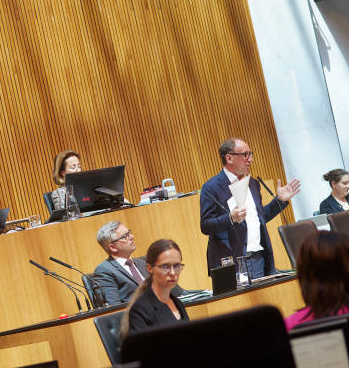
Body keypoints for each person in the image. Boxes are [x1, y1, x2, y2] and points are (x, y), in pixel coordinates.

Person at [200, 138, 301, 278]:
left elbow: (258, 218)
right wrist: (230, 218)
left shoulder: (253, 184)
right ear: (229, 158)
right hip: (230, 263)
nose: (250, 159)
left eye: (250, 154)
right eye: (245, 154)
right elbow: (206, 226)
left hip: (258, 259)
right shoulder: (212, 187)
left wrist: (279, 201)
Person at [93, 221, 185, 306]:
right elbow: (114, 308)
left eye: (129, 233)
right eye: (125, 236)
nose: (132, 237)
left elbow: (172, 290)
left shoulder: (143, 263)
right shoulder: (104, 271)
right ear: (113, 247)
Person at [119, 239, 189, 337]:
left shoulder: (178, 303)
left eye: (176, 265)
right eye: (165, 266)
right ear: (149, 268)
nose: (173, 273)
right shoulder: (140, 310)